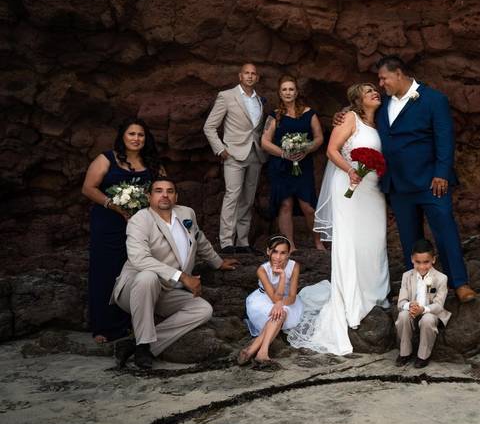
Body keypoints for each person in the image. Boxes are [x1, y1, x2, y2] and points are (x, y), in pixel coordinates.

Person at [287, 83, 391, 356]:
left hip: (372, 191)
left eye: (375, 89)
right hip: (350, 187)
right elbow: (332, 150)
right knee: (351, 242)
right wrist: (350, 171)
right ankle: (352, 297)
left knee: (375, 240)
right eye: (368, 90)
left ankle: (375, 293)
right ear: (357, 99)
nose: (374, 93)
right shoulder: (350, 118)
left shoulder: (381, 122)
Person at [374, 55, 476, 302]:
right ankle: (416, 289)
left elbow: (444, 138)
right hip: (398, 183)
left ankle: (459, 283)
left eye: (383, 78)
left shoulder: (433, 99)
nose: (381, 84)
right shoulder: (382, 104)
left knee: (445, 231)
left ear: (398, 73)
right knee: (410, 237)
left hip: (431, 181)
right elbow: (361, 112)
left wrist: (441, 173)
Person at [111, 178, 239, 369]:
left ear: (176, 196)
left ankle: (137, 345)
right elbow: (139, 259)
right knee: (148, 276)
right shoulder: (140, 219)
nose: (165, 195)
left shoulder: (186, 213)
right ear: (149, 196)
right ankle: (143, 345)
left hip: (166, 290)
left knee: (203, 310)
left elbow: (199, 239)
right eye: (159, 191)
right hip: (135, 289)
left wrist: (217, 262)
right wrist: (182, 276)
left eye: (170, 191)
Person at [81, 118, 164, 343]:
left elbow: (162, 190)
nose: (136, 139)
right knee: (106, 272)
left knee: (136, 271)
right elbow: (88, 188)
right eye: (132, 134)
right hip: (108, 223)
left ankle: (130, 323)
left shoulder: (152, 162)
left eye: (141, 135)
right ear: (123, 137)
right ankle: (103, 327)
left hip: (140, 225)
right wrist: (115, 206)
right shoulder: (106, 158)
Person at [203, 62, 268, 254]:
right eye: (246, 73)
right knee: (232, 196)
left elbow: (257, 128)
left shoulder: (259, 100)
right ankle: (226, 242)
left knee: (247, 199)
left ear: (257, 78)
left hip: (255, 154)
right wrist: (220, 149)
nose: (249, 76)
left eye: (253, 74)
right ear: (240, 76)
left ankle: (242, 242)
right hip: (233, 153)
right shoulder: (227, 96)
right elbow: (209, 126)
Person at [260, 75, 325, 251]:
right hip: (281, 166)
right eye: (284, 90)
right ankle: (290, 245)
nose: (288, 92)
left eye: (291, 89)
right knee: (285, 203)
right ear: (280, 93)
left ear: (296, 92)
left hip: (303, 164)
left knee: (308, 206)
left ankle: (318, 242)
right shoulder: (275, 115)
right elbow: (264, 141)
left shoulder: (309, 113)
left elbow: (319, 137)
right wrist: (284, 153)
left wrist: (306, 149)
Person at [238, 235, 304, 370]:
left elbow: (291, 297)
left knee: (282, 311)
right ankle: (261, 352)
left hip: (286, 301)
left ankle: (255, 349)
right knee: (279, 313)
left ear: (288, 253)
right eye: (275, 252)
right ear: (268, 251)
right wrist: (281, 278)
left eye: (283, 253)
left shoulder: (294, 266)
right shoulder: (262, 270)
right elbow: (274, 299)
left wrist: (283, 277)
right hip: (263, 300)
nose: (278, 257)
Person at [394, 239, 451, 369]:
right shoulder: (407, 276)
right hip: (413, 309)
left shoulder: (441, 278)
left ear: (433, 260)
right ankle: (405, 353)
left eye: (426, 262)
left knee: (427, 320)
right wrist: (410, 306)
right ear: (412, 260)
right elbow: (401, 302)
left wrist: (423, 309)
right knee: (403, 316)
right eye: (417, 262)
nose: (422, 267)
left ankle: (423, 356)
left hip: (431, 311)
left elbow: (438, 305)